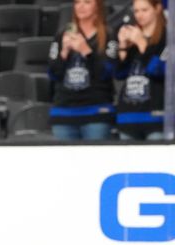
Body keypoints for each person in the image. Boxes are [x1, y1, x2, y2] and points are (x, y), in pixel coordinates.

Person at [48, 0, 119, 140]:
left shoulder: (108, 35)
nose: (80, 6)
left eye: (87, 2)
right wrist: (63, 53)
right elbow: (53, 74)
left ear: (97, 6)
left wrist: (86, 51)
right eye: (77, 2)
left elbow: (107, 73)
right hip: (64, 112)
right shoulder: (62, 34)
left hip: (96, 112)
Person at [114, 0, 167, 141]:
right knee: (128, 163)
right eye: (136, 11)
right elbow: (119, 74)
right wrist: (123, 46)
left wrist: (142, 43)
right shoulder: (132, 34)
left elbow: (160, 71)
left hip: (156, 116)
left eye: (144, 10)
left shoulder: (167, 37)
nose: (139, 15)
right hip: (128, 116)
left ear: (157, 8)